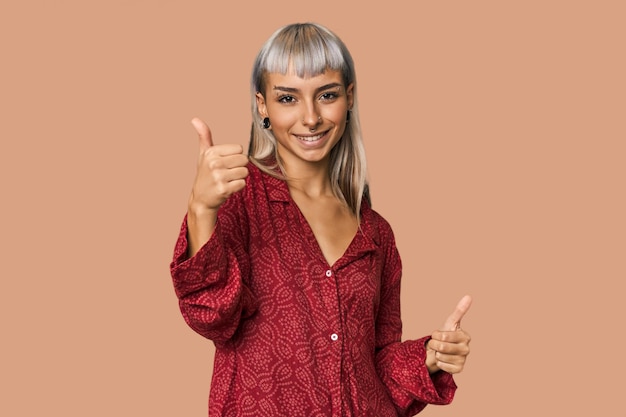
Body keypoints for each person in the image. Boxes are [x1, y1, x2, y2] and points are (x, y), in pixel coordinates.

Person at [170, 22, 472, 417]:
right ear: (263, 105)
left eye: (326, 95)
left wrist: (429, 357)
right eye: (288, 98)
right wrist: (201, 208)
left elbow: (374, 361)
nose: (310, 118)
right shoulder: (236, 201)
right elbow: (212, 318)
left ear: (348, 98)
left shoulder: (376, 232)